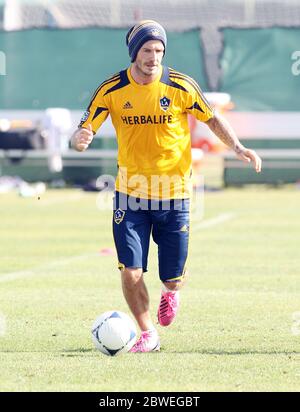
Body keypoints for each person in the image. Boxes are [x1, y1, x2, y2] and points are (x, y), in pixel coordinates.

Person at [71, 20, 262, 353]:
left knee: (171, 276)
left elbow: (212, 117)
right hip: (130, 196)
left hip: (174, 195)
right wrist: (79, 140)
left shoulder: (181, 85)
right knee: (130, 272)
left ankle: (171, 293)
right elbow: (82, 130)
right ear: (134, 52)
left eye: (159, 50)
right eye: (147, 50)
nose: (154, 56)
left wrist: (238, 147)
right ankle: (148, 334)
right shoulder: (112, 90)